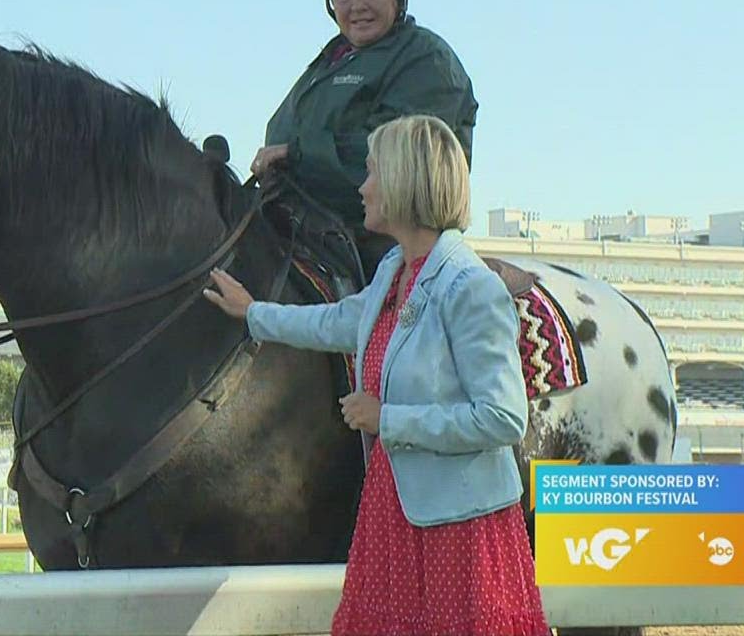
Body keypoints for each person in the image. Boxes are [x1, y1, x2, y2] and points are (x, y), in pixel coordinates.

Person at [205, 115, 548, 636]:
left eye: (371, 173)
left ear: (407, 182)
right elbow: (338, 321)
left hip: (460, 536)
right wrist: (254, 313)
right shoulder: (395, 269)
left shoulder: (470, 287)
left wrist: (388, 419)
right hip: (393, 518)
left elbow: (502, 418)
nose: (361, 188)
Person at [254, 0, 478, 280]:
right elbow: (280, 131)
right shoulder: (329, 62)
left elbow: (400, 162)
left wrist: (295, 154)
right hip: (307, 231)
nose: (357, 6)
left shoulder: (427, 59)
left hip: (388, 243)